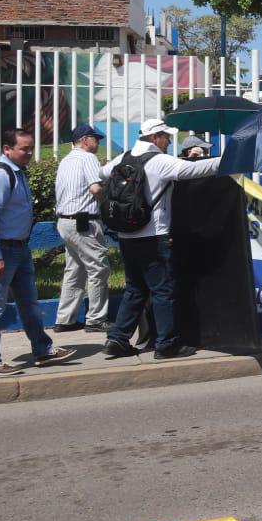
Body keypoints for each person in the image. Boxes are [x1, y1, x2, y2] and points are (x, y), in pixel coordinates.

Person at [101, 119, 222, 361]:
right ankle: (166, 344)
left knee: (135, 289)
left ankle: (117, 339)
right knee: (163, 291)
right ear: (155, 137)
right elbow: (195, 170)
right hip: (154, 236)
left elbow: (102, 173)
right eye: (166, 137)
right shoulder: (159, 161)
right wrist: (229, 160)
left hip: (126, 235)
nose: (168, 141)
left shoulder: (122, 158)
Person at [0, 129, 69, 375]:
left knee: (29, 302)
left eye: (31, 148)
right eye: (24, 149)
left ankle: (42, 349)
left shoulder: (17, 172)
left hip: (18, 248)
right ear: (7, 149)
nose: (29, 153)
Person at [53, 124, 110, 333]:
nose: (98, 143)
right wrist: (108, 198)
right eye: (96, 139)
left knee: (74, 269)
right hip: (84, 222)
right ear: (85, 140)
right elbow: (95, 188)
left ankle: (65, 319)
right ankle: (96, 319)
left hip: (65, 221)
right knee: (98, 268)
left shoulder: (66, 160)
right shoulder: (88, 158)